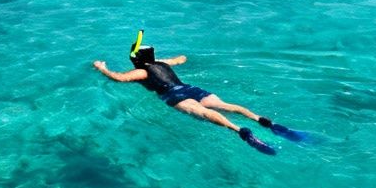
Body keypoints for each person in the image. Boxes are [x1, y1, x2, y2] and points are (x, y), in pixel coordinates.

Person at [92, 32, 312, 155]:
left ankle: (239, 131)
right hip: (190, 88)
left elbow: (119, 78)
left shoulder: (140, 71)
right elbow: (181, 59)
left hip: (173, 95)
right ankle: (263, 121)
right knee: (228, 105)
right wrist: (179, 58)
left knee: (204, 114)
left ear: (136, 59)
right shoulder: (162, 62)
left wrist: (102, 69)